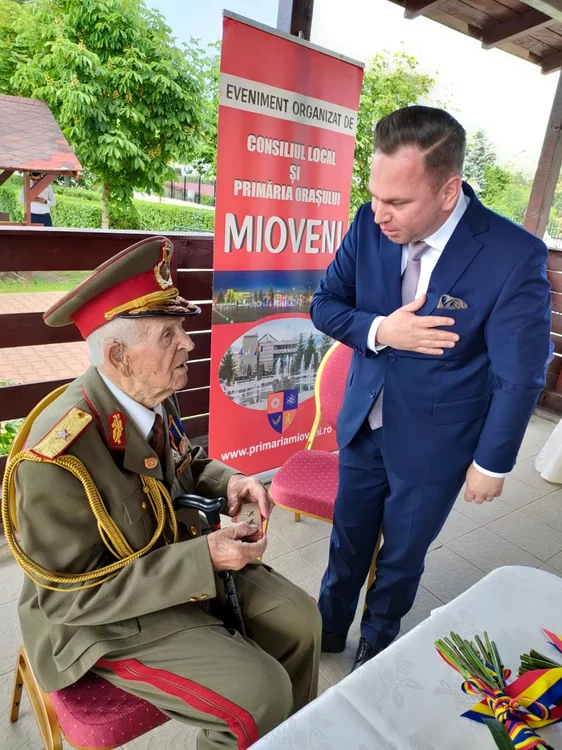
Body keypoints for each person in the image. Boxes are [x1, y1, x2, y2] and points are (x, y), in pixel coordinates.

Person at [3, 236, 321, 750]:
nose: (189, 343)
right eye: (169, 334)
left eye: (182, 329)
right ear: (118, 354)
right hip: (99, 621)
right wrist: (205, 558)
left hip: (172, 562)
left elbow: (185, 463)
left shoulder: (146, 394)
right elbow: (71, 597)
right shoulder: (54, 458)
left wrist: (232, 481)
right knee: (260, 694)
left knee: (303, 622)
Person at [310, 106, 551, 673]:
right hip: (364, 424)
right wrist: (380, 330)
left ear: (448, 191)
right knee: (347, 541)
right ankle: (326, 628)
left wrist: (492, 464)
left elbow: (519, 372)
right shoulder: (368, 225)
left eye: (397, 203)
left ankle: (378, 638)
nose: (380, 214)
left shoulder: (513, 256)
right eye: (375, 196)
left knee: (402, 555)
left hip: (439, 442)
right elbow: (325, 304)